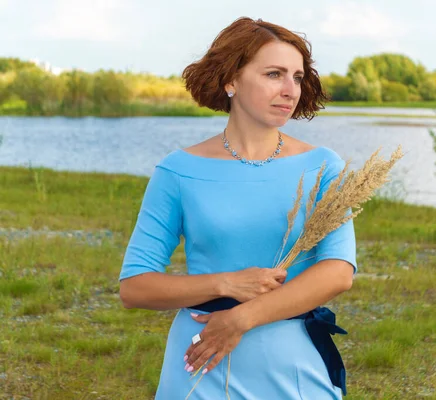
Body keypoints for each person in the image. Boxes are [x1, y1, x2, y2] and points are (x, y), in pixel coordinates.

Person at [119, 16, 357, 399]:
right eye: (274, 74)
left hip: (293, 365)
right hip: (200, 362)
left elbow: (338, 272)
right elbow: (135, 287)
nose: (289, 90)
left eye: (297, 77)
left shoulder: (323, 166)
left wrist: (241, 319)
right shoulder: (178, 171)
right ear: (231, 80)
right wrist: (224, 283)